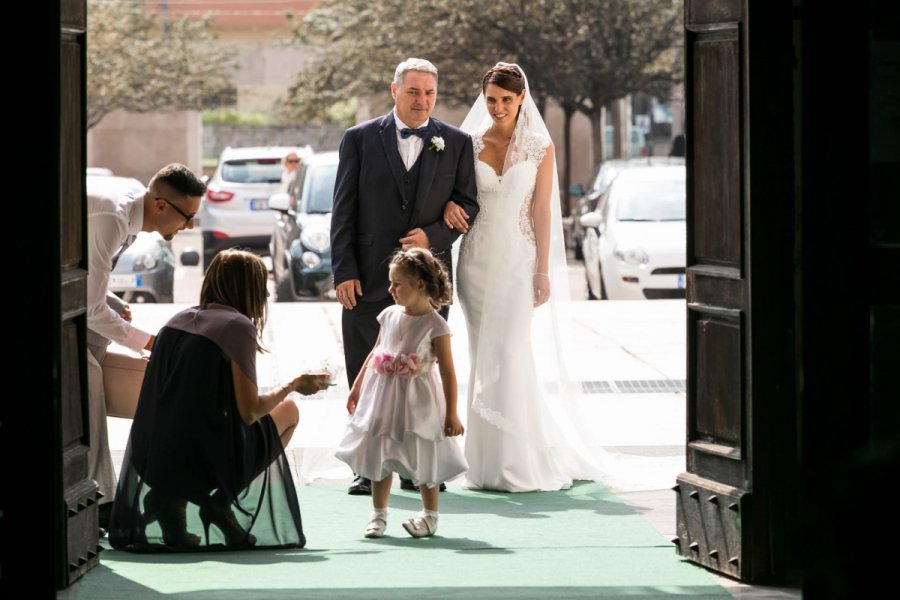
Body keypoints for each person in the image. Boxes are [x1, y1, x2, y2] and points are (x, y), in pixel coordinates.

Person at [443, 63, 618, 492]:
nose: (499, 107)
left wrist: (542, 269)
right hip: (476, 261)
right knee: (482, 354)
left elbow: (542, 210)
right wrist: (448, 207)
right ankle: (483, 463)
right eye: (491, 100)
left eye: (506, 99)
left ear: (522, 98)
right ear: (483, 100)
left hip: (519, 262)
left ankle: (517, 458)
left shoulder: (541, 147)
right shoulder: (467, 145)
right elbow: (454, 196)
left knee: (512, 352)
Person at [108, 249, 332, 551]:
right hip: (201, 461)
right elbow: (250, 411)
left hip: (153, 458)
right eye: (260, 284)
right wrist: (294, 384)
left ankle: (169, 503)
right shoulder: (237, 326)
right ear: (244, 288)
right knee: (289, 411)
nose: (266, 293)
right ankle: (219, 504)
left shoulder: (176, 321)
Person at [330, 57, 479, 496]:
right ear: (394, 91)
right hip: (368, 276)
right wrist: (344, 270)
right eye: (413, 91)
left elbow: (468, 205)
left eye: (430, 93)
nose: (422, 101)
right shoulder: (358, 139)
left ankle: (419, 467)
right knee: (367, 366)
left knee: (424, 372)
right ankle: (367, 466)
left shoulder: (454, 142)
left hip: (428, 282)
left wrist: (432, 234)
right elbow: (342, 208)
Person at [87, 162, 206, 531]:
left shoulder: (130, 212)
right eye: (187, 217)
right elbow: (89, 309)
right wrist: (149, 342)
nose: (189, 227)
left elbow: (83, 278)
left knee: (106, 375)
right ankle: (99, 500)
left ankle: (110, 497)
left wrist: (114, 304)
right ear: (160, 206)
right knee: (87, 379)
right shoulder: (113, 217)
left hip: (82, 315)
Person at [335, 248, 467, 538]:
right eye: (390, 282)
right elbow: (374, 353)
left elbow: (448, 372)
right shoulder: (389, 315)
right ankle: (379, 514)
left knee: (422, 454)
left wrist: (452, 412)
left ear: (420, 284)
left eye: (397, 284)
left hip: (418, 401)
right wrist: (356, 387)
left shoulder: (436, 326)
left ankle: (430, 516)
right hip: (383, 396)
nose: (390, 289)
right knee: (382, 454)